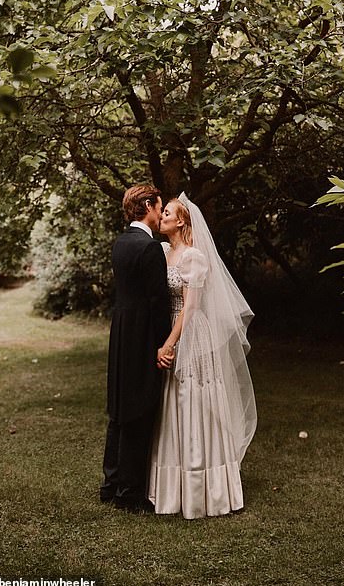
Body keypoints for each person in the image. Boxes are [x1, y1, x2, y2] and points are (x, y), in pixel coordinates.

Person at [149, 193, 257, 519]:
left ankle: (204, 489)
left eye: (167, 213)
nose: (162, 217)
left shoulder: (193, 257)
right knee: (171, 402)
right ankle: (170, 487)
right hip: (170, 325)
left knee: (193, 399)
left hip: (191, 331)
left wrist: (169, 344)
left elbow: (193, 306)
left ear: (181, 221)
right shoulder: (163, 251)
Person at [100, 184, 172, 512]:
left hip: (121, 331)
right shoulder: (150, 248)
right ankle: (129, 494)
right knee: (138, 410)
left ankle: (111, 483)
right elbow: (158, 303)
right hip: (142, 334)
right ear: (147, 205)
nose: (160, 214)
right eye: (158, 207)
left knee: (118, 408)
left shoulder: (121, 243)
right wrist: (163, 344)